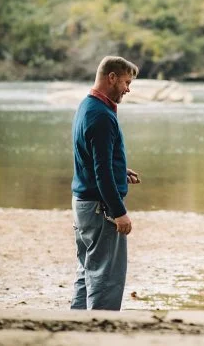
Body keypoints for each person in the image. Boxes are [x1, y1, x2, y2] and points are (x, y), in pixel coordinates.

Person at [70, 55, 141, 310]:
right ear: (111, 77)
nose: (128, 89)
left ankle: (76, 329)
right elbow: (100, 170)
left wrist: (119, 172)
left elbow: (92, 159)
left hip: (83, 204)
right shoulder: (101, 116)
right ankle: (99, 332)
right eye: (125, 82)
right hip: (100, 208)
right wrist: (119, 212)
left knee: (87, 272)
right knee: (106, 278)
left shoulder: (86, 106)